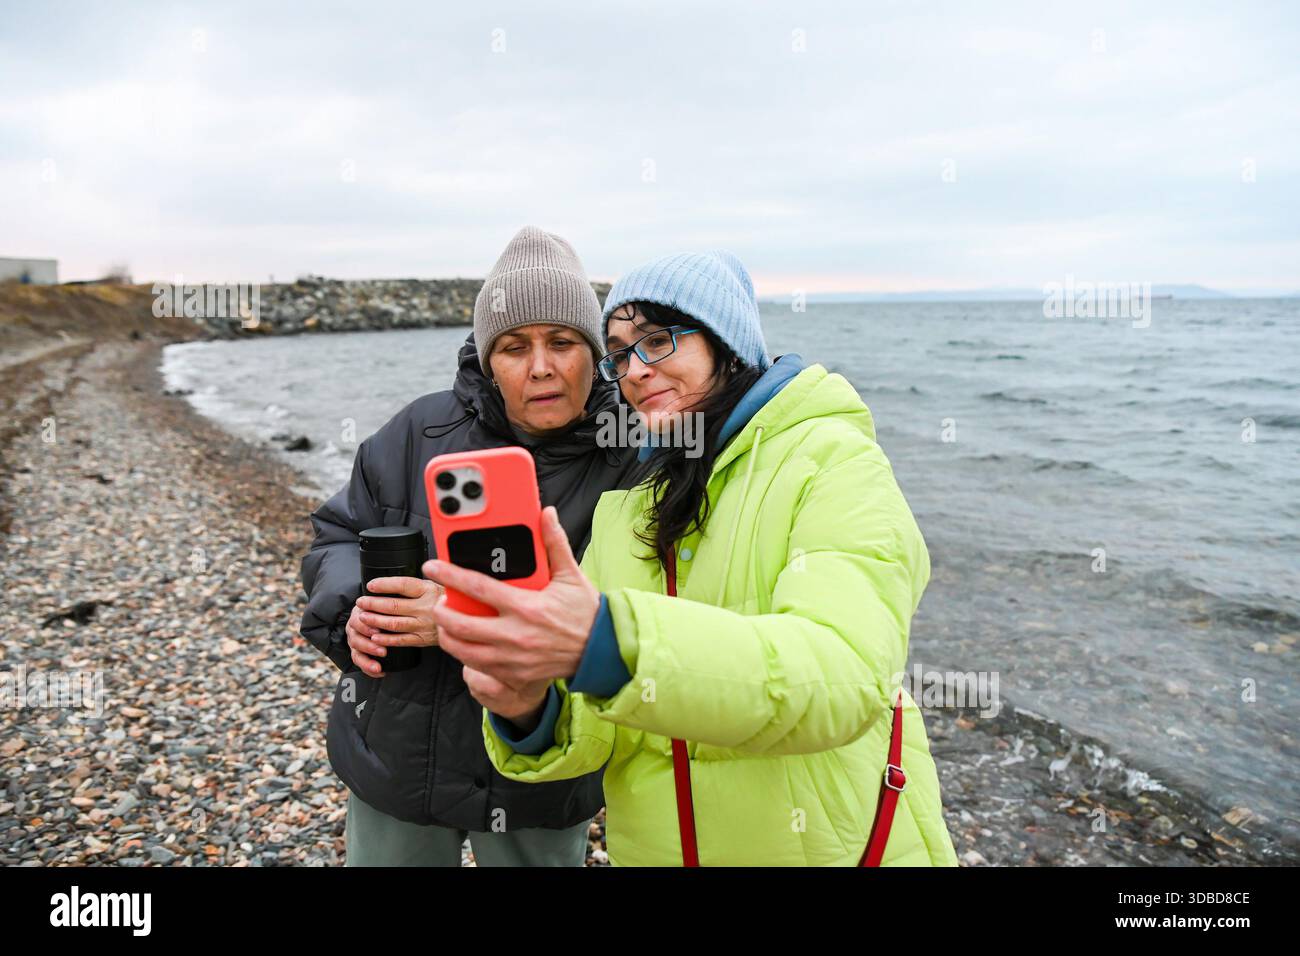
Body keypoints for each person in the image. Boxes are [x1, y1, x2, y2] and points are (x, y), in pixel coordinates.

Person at [426, 250, 960, 865]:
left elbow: (842, 675)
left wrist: (606, 641)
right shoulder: (630, 510)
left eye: (657, 340)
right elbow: (600, 729)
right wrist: (528, 707)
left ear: (726, 343)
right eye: (621, 352)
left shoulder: (833, 461)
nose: (635, 370)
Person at [298, 226, 637, 866]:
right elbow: (337, 533)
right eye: (513, 347)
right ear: (487, 360)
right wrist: (354, 613)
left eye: (562, 342)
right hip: (399, 756)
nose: (541, 366)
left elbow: (644, 614)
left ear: (594, 352)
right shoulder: (417, 431)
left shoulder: (637, 456)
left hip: (544, 762)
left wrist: (455, 617)